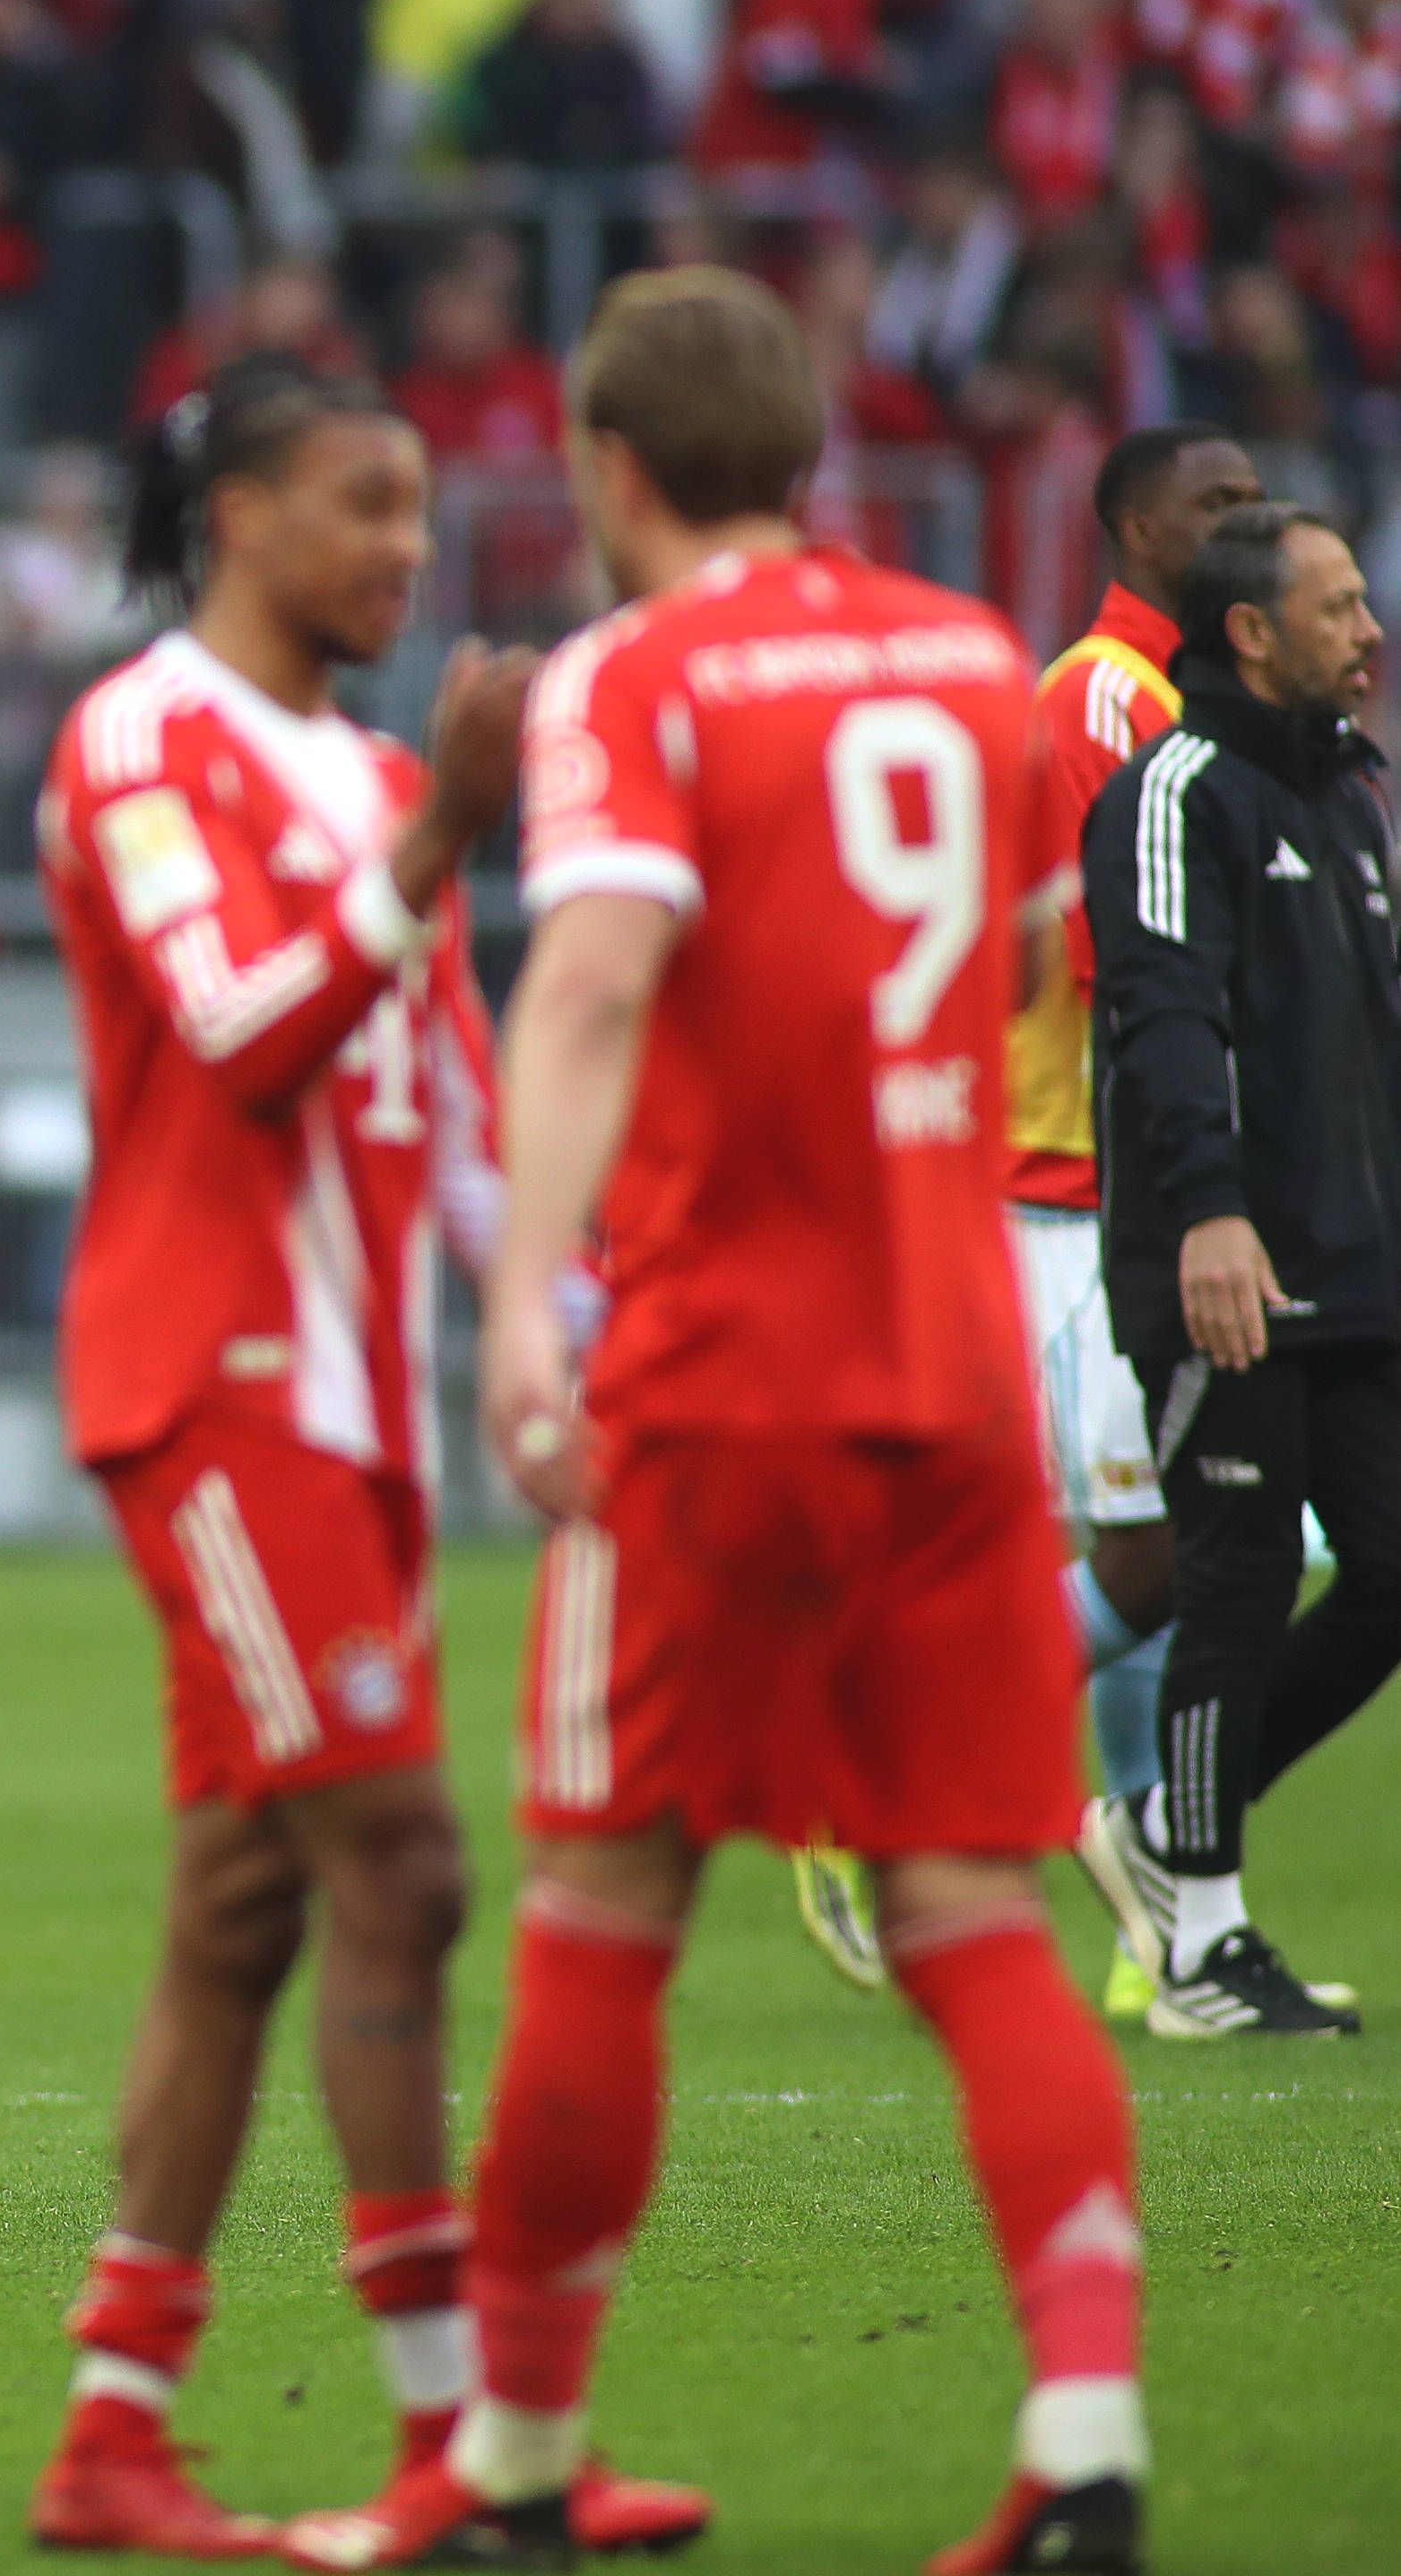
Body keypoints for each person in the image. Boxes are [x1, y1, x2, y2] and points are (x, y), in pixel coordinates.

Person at [379, 271, 1147, 2575]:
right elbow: (1019, 957)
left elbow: (598, 979)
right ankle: (1090, 2442)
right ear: (811, 455)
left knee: (609, 1901)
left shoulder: (634, 676)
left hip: (713, 1377)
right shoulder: (953, 653)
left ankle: (517, 2453)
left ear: (612, 470)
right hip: (942, 1367)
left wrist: (525, 1304)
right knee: (973, 1908)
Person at [19, 357, 696, 2566]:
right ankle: (468, 2441)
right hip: (212, 1386)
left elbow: (467, 1101)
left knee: (240, 1910)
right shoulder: (143, 740)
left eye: (417, 506)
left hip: (356, 1408)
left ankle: (113, 2432)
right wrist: (429, 850)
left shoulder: (385, 763)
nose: (410, 548)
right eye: (362, 502)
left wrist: (554, 1337)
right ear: (233, 514)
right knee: (399, 1867)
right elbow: (238, 1034)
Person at [791, 423, 1267, 2000]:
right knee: (1157, 1559)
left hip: (1107, 1181)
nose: (1242, 526)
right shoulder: (1102, 697)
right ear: (1131, 527)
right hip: (1067, 1185)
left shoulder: (1186, 700)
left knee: (1151, 1539)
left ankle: (1154, 1923)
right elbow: (1108, 957)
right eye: (1215, 505)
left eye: (1256, 504)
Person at [1077, 502, 1395, 2041]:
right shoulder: (1169, 791)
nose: (1368, 631)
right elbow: (1158, 1013)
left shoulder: (1344, 797)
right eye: (1337, 609)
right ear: (1251, 634)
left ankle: (1154, 1827)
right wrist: (1207, 1215)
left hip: (1355, 1266)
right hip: (1225, 1267)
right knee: (1235, 1580)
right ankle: (1199, 1943)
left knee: (1388, 1574)